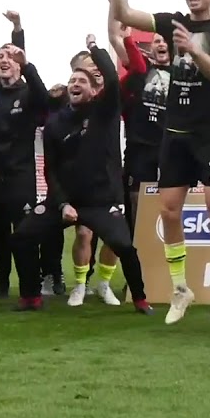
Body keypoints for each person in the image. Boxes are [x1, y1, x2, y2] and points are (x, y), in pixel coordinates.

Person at [109, 0, 210, 327]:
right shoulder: (170, 22)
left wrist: (192, 49)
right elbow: (123, 12)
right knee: (168, 211)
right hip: (175, 133)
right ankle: (181, 289)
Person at [18, 35, 150, 313]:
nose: (75, 84)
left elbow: (113, 81)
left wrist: (94, 49)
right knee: (23, 236)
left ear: (93, 91)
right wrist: (62, 203)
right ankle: (31, 297)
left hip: (101, 201)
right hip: (65, 201)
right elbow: (50, 168)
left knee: (124, 245)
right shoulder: (55, 122)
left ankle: (140, 299)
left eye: (83, 81)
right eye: (72, 81)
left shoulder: (105, 111)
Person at [0, 41, 50, 307]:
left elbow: (44, 99)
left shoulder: (28, 93)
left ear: (18, 64)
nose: (4, 60)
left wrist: (28, 67)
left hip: (20, 174)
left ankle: (30, 293)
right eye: (0, 55)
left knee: (24, 233)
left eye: (10, 56)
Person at [107, 8, 171, 238]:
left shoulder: (184, 72)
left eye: (165, 40)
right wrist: (112, 5)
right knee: (137, 201)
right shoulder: (141, 68)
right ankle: (139, 249)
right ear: (151, 47)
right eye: (156, 41)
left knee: (172, 203)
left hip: (171, 149)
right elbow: (114, 37)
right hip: (140, 148)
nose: (161, 44)